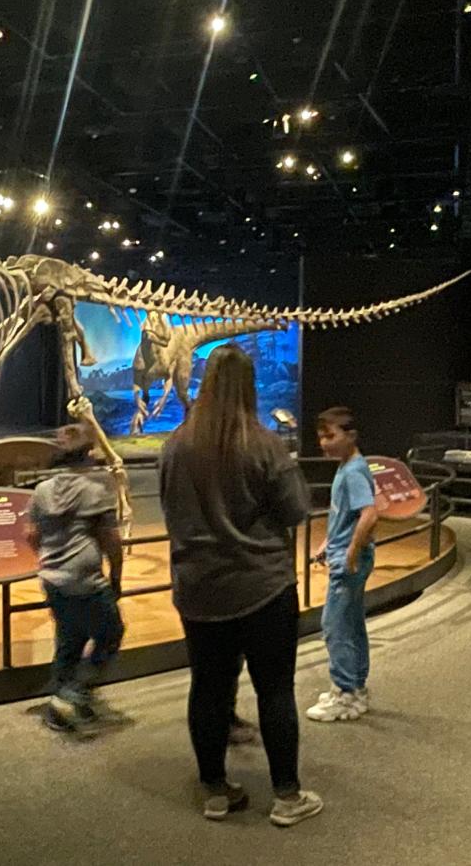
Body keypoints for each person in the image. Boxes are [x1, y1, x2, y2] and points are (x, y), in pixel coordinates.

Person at [158, 343, 323, 827]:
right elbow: (296, 510)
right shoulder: (265, 445)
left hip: (199, 589)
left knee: (208, 689)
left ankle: (215, 791)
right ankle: (287, 797)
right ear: (250, 386)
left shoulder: (175, 444)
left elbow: (171, 513)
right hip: (263, 588)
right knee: (275, 691)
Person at [26, 423, 125, 732]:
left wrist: (50, 558)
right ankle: (73, 694)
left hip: (53, 579)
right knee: (110, 633)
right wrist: (117, 578)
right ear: (87, 455)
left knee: (70, 638)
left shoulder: (41, 490)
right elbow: (111, 541)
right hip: (86, 582)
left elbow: (31, 535)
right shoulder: (95, 490)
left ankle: (60, 704)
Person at [306, 406, 378, 723]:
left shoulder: (353, 471)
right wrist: (327, 545)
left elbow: (369, 513)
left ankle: (344, 693)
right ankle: (356, 688)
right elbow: (345, 517)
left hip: (348, 562)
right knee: (351, 623)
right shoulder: (348, 467)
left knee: (334, 625)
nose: (324, 443)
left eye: (330, 436)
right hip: (343, 555)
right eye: (321, 436)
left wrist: (351, 551)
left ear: (350, 436)